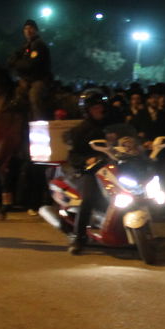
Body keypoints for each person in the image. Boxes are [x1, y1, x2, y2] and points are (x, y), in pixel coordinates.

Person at [65, 92, 111, 253]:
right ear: (87, 110)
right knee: (89, 198)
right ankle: (79, 238)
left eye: (101, 107)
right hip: (89, 172)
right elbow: (72, 156)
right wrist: (87, 161)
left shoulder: (111, 128)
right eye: (95, 108)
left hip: (112, 170)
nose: (100, 110)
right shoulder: (79, 131)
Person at [9, 19, 53, 120]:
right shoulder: (25, 46)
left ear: (36, 30)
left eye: (31, 28)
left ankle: (39, 122)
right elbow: (11, 60)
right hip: (26, 80)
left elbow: (31, 65)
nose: (28, 31)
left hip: (40, 79)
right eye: (26, 29)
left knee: (35, 96)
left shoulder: (39, 45)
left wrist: (16, 64)